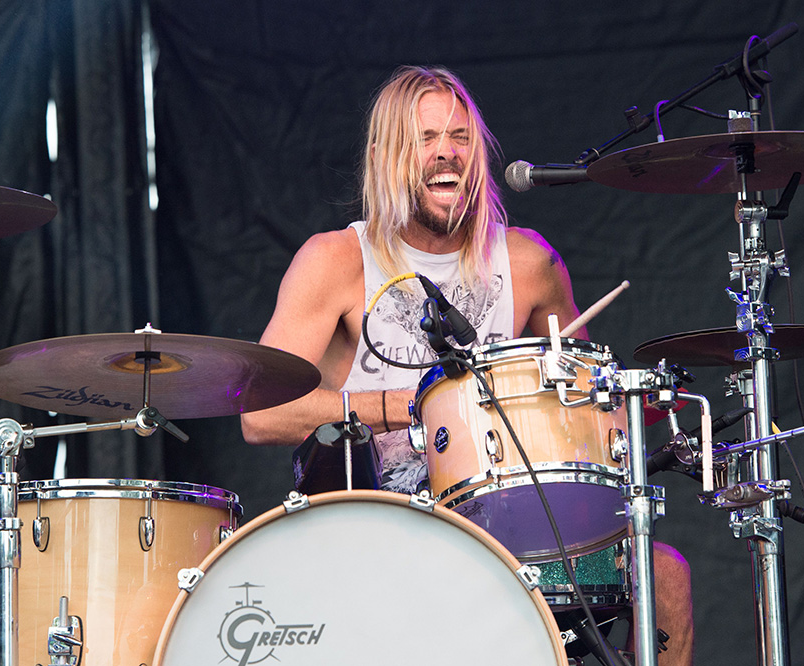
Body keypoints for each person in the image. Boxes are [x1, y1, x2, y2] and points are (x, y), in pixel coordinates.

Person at [242, 65, 693, 665]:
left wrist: (635, 407)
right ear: (383, 155)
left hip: (508, 517)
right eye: (425, 139)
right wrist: (411, 406)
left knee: (664, 577)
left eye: (460, 137)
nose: (445, 153)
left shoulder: (528, 261)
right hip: (378, 515)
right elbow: (259, 414)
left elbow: (589, 395)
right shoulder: (337, 260)